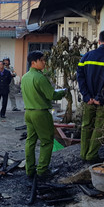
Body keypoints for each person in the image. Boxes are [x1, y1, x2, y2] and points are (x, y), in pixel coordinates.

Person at [76, 30, 104, 163]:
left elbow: (80, 78)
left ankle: (84, 154)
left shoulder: (86, 57)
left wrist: (87, 96)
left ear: (99, 41)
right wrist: (100, 98)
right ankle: (91, 155)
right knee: (99, 127)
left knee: (86, 125)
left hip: (88, 100)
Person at [21, 51, 66, 180]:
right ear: (34, 62)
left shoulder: (25, 77)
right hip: (41, 112)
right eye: (42, 60)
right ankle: (42, 170)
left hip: (28, 112)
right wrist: (63, 92)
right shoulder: (40, 77)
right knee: (46, 142)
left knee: (30, 141)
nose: (44, 63)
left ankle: (29, 169)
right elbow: (52, 95)